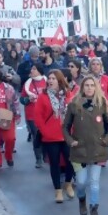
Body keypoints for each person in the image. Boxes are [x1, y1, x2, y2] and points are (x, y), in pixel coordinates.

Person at [62, 76, 108, 215]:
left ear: (96, 87)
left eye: (92, 85)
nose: (90, 88)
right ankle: (82, 199)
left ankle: (94, 210)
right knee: (81, 182)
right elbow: (65, 127)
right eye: (87, 85)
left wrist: (106, 140)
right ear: (82, 88)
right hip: (79, 150)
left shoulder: (101, 104)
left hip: (98, 149)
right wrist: (71, 141)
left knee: (94, 182)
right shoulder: (74, 105)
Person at [34, 69, 75, 203]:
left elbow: (74, 113)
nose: (50, 81)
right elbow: (38, 117)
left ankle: (68, 183)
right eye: (49, 78)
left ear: (59, 81)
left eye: (53, 79)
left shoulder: (68, 95)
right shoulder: (43, 96)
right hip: (50, 136)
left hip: (67, 134)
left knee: (71, 161)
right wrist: (45, 131)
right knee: (55, 164)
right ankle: (58, 190)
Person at [20, 62, 47, 168]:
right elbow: (22, 99)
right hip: (32, 114)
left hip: (46, 114)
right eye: (31, 69)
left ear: (39, 70)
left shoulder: (47, 81)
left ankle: (46, 155)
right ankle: (38, 158)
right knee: (36, 136)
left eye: (34, 69)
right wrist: (27, 99)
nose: (31, 71)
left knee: (45, 135)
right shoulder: (27, 84)